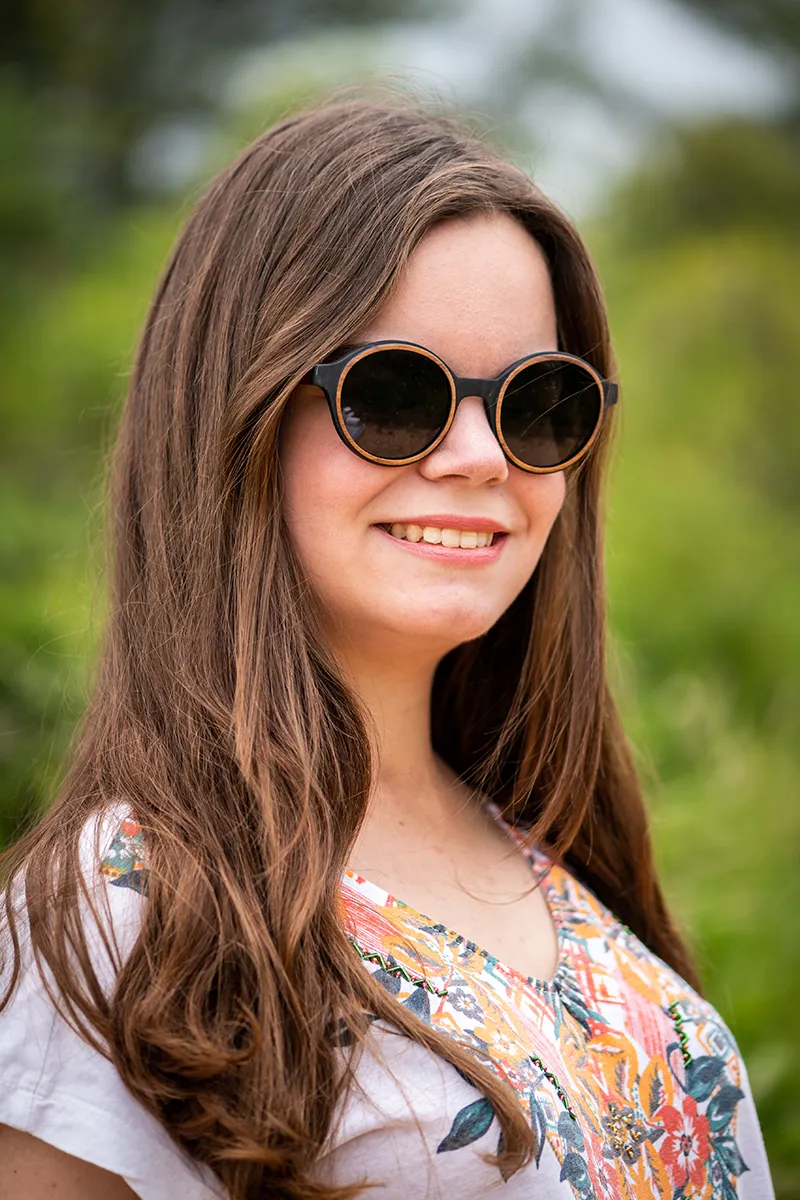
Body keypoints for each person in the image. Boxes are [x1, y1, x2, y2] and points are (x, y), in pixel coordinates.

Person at [0, 88, 774, 1200]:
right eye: (394, 393)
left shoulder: (553, 856)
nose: (477, 456)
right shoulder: (120, 918)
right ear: (238, 416)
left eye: (537, 403)